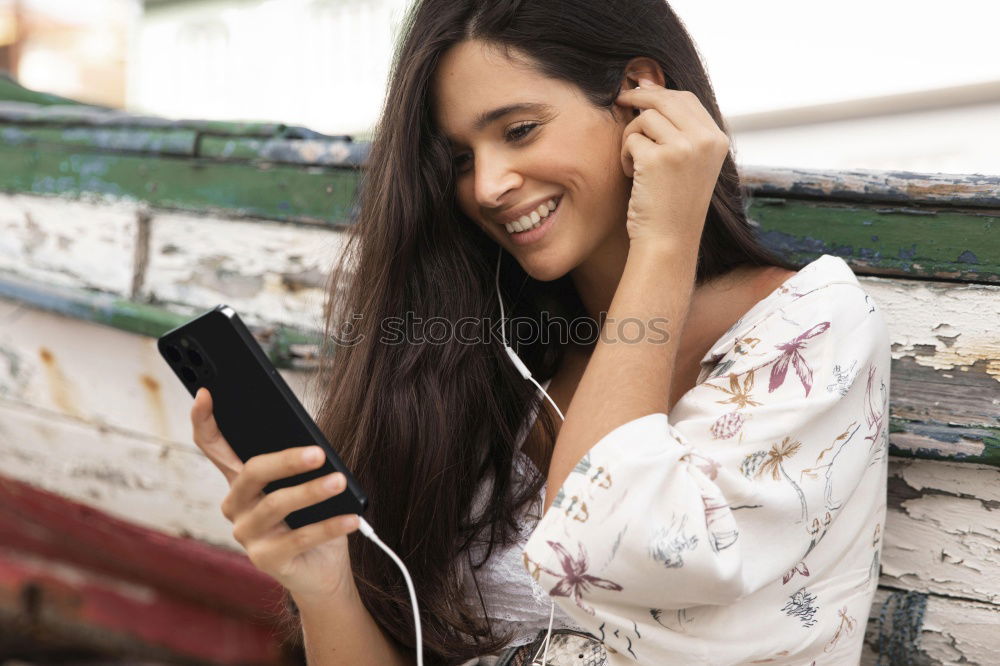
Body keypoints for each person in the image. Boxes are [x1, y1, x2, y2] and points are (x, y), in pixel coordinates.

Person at [189, 0, 890, 664]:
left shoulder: (810, 325)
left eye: (519, 130)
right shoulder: (496, 366)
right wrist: (323, 584)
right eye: (460, 158)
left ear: (640, 94)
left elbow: (604, 544)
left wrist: (665, 240)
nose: (487, 185)